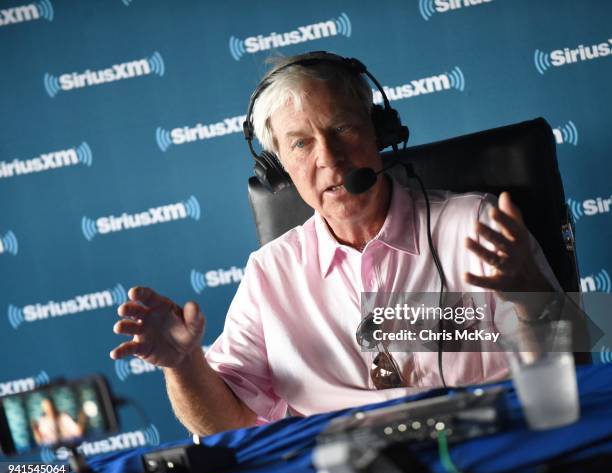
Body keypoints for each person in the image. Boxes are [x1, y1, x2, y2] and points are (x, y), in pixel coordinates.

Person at [110, 52, 559, 436]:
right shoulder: (271, 272)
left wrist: (533, 295)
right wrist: (184, 364)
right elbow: (226, 424)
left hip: (482, 444)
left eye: (342, 129)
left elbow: (568, 362)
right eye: (301, 143)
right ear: (278, 167)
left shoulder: (475, 224)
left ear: (379, 132)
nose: (329, 158)